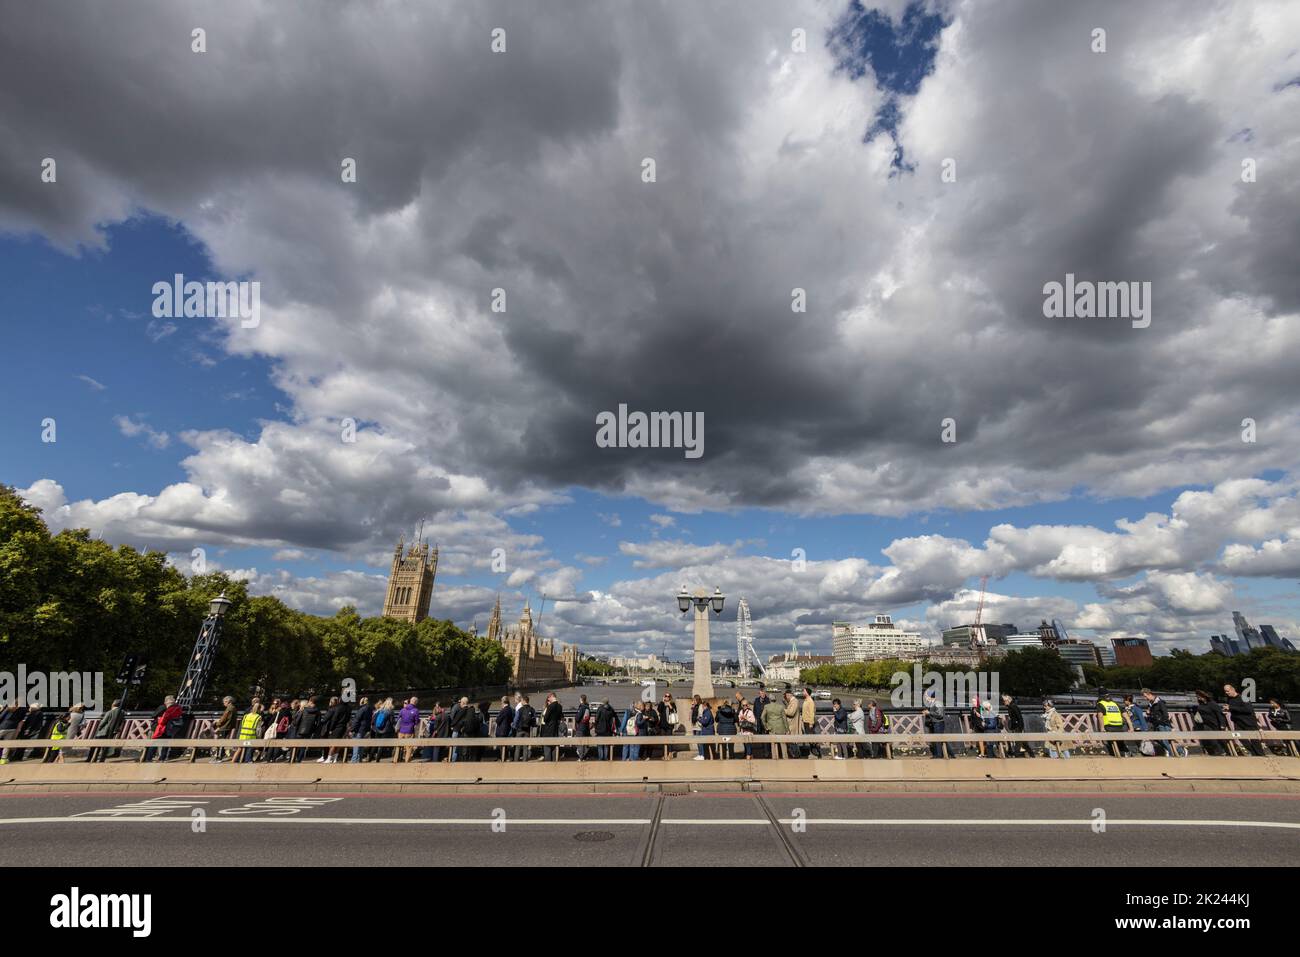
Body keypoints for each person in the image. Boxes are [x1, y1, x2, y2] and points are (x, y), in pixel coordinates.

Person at [1224, 684, 1265, 756]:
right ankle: (1253, 753)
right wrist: (1227, 709)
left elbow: (1248, 710)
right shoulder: (1229, 699)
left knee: (1254, 740)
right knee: (1240, 737)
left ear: (1233, 689)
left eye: (1228, 691)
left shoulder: (1243, 698)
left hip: (1248, 721)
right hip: (1237, 722)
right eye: (1225, 691)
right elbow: (1232, 708)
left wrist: (1231, 708)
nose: (1226, 693)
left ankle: (1261, 754)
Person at [145, 696, 183, 762]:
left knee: (155, 743)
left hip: (163, 728)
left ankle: (149, 758)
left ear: (167, 702)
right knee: (166, 743)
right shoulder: (178, 708)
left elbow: (161, 719)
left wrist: (160, 720)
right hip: (172, 728)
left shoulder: (167, 708)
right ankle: (162, 758)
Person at [1141, 688, 1177, 757]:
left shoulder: (1160, 702)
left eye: (1145, 696)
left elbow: (1165, 714)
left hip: (1163, 724)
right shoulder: (1150, 704)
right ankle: (1177, 751)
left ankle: (1173, 753)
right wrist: (1149, 714)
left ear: (1149, 694)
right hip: (1156, 724)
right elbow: (1153, 715)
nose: (1145, 698)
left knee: (1164, 740)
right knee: (1157, 738)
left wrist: (1162, 722)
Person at [89, 698, 125, 763]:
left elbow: (103, 722)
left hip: (104, 731)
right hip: (113, 731)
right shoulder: (122, 712)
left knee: (94, 745)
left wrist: (99, 728)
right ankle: (101, 759)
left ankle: (90, 758)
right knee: (105, 746)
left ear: (113, 704)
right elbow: (121, 722)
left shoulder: (110, 712)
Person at [1191, 690, 1225, 756]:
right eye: (1197, 697)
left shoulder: (1212, 704)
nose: (1198, 698)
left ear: (1205, 696)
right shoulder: (1200, 705)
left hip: (1215, 724)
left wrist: (1222, 724)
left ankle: (1222, 751)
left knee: (1218, 739)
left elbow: (1220, 715)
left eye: (1200, 697)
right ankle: (1217, 752)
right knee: (1211, 738)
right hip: (1206, 724)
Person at [1096, 689, 1127, 757]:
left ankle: (1117, 757)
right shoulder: (1115, 703)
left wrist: (1102, 728)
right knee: (1121, 743)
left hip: (1109, 727)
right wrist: (1131, 726)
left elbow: (1100, 716)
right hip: (1119, 726)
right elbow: (1125, 714)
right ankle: (1124, 756)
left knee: (1112, 745)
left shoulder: (1100, 704)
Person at [1001, 693, 1034, 758]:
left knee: (1018, 742)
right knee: (1023, 742)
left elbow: (1019, 718)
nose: (1003, 702)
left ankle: (1016, 755)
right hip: (1016, 727)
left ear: (1008, 701)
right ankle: (1031, 754)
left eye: (1004, 701)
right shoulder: (1010, 707)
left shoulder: (1013, 706)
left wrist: (1020, 727)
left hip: (1018, 727)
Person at [321, 695, 352, 764]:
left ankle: (329, 758)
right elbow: (348, 719)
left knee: (332, 743)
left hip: (337, 727)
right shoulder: (349, 708)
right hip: (344, 727)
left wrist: (331, 729)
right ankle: (335, 758)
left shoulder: (338, 708)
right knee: (339, 743)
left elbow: (335, 719)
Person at [291, 695, 321, 762]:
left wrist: (294, 724)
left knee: (296, 745)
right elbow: (318, 723)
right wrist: (313, 730)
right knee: (303, 747)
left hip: (299, 730)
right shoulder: (318, 712)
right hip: (309, 732)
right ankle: (299, 760)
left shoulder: (304, 710)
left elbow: (298, 720)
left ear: (310, 701)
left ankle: (293, 759)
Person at [211, 695, 238, 761]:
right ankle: (219, 756)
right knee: (222, 742)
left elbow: (224, 718)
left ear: (228, 701)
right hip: (228, 727)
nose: (223, 703)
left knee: (220, 743)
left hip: (224, 727)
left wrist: (217, 724)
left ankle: (219, 757)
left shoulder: (229, 708)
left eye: (224, 702)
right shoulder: (234, 708)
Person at [347, 696, 373, 763]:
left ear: (362, 702)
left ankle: (354, 760)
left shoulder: (362, 709)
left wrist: (351, 730)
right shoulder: (370, 709)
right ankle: (359, 760)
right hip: (365, 729)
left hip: (359, 729)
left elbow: (356, 720)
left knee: (356, 745)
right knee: (361, 746)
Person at [395, 696, 420, 763]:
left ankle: (395, 760)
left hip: (401, 731)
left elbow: (398, 719)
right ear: (416, 702)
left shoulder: (402, 710)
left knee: (398, 746)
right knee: (409, 747)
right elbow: (417, 722)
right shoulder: (416, 710)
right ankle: (407, 761)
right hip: (409, 731)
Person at [762, 693, 788, 759]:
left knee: (773, 744)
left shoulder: (766, 706)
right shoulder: (781, 706)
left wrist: (766, 726)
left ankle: (775, 758)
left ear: (769, 700)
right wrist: (787, 729)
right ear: (775, 699)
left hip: (771, 727)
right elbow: (784, 718)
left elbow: (762, 717)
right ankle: (785, 758)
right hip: (781, 727)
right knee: (783, 744)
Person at [923, 690, 946, 759]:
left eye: (926, 696)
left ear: (931, 696)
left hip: (939, 723)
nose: (925, 698)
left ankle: (939, 755)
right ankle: (937, 754)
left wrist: (929, 713)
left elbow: (940, 714)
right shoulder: (932, 703)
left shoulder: (938, 703)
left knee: (938, 739)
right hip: (934, 723)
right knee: (937, 739)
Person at [513, 695, 537, 762]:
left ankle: (516, 761)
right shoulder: (532, 709)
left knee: (517, 747)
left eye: (521, 701)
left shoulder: (520, 710)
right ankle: (524, 761)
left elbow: (516, 720)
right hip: (527, 730)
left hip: (519, 730)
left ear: (524, 701)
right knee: (525, 746)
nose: (521, 702)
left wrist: (514, 727)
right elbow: (534, 720)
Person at [541, 693, 564, 762]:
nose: (548, 699)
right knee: (554, 748)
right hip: (555, 729)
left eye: (548, 698)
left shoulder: (550, 706)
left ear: (551, 697)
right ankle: (554, 765)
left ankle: (548, 766)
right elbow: (560, 717)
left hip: (548, 730)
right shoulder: (560, 706)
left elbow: (545, 718)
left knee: (547, 748)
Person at [657, 693, 679, 760]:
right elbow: (659, 710)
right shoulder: (662, 703)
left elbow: (674, 711)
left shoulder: (672, 704)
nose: (667, 697)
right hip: (663, 725)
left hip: (669, 725)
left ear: (670, 697)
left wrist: (669, 705)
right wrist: (663, 702)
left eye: (668, 696)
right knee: (663, 740)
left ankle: (670, 753)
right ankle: (664, 754)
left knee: (669, 740)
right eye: (665, 696)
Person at [751, 688, 770, 759]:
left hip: (765, 722)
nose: (762, 694)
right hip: (758, 721)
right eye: (761, 693)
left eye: (763, 693)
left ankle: (767, 752)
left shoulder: (768, 700)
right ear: (759, 694)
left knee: (766, 736)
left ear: (765, 693)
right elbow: (754, 710)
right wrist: (755, 718)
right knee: (760, 735)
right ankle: (762, 751)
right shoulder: (756, 700)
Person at [801, 689, 821, 758]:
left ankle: (817, 753)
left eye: (804, 691)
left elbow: (812, 712)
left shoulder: (810, 701)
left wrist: (811, 723)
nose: (803, 692)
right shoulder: (806, 700)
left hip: (809, 722)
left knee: (812, 739)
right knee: (810, 739)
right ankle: (813, 752)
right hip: (805, 721)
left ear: (807, 693)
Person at [494, 696, 514, 760]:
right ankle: (504, 757)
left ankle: (502, 758)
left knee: (501, 746)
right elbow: (511, 720)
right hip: (506, 729)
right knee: (504, 745)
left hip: (501, 731)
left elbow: (498, 720)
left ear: (503, 702)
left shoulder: (503, 710)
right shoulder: (510, 709)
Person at [783, 691, 801, 757]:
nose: (785, 698)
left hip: (793, 723)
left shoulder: (794, 701)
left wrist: (783, 710)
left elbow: (791, 712)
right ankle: (795, 754)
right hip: (791, 723)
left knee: (793, 740)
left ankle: (796, 755)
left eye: (786, 696)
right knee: (792, 740)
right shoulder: (792, 701)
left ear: (788, 695)